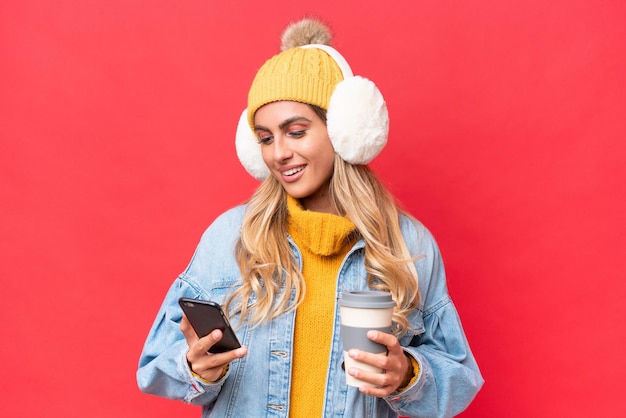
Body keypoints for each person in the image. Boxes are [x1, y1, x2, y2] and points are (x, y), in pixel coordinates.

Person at [137, 17, 483, 417]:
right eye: (265, 139)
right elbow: (155, 366)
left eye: (296, 132)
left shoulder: (409, 245)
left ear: (343, 130)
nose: (277, 153)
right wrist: (197, 368)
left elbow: (459, 381)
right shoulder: (229, 237)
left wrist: (407, 374)